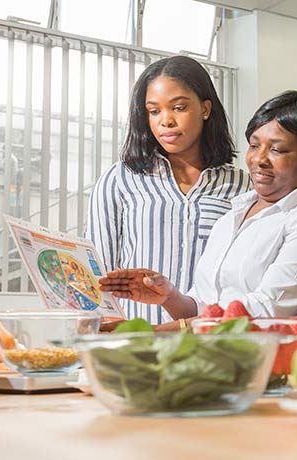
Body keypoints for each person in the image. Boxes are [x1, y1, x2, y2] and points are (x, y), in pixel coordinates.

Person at [99, 91, 297, 356]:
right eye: (254, 145)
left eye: (276, 149)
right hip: (231, 370)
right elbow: (205, 307)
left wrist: (155, 335)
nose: (259, 159)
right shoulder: (231, 217)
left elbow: (262, 310)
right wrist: (169, 296)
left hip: (293, 375)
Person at [85, 56, 250, 324]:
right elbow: (97, 272)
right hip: (138, 342)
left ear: (205, 109)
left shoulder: (242, 187)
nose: (166, 121)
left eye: (179, 107)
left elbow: (243, 277)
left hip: (210, 343)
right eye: (154, 111)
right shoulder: (120, 179)